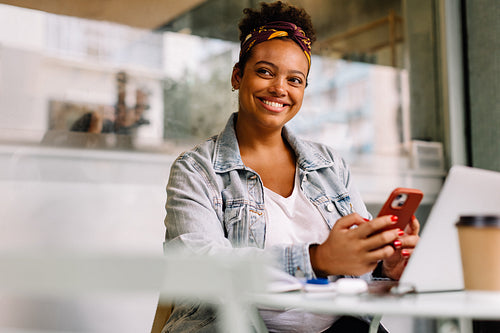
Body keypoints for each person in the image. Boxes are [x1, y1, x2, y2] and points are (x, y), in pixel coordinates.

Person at [162, 1, 420, 332]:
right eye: (265, 71)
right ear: (238, 76)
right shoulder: (196, 171)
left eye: (295, 79)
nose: (279, 89)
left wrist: (386, 264)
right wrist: (316, 260)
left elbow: (358, 270)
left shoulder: (330, 166)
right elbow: (200, 269)